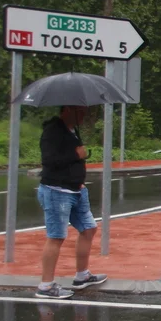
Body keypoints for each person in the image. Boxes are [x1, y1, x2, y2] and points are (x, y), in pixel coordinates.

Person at [35, 105, 107, 299]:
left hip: (76, 189)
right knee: (56, 236)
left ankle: (82, 275)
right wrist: (76, 155)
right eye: (80, 112)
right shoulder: (52, 131)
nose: (84, 116)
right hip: (56, 191)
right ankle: (45, 286)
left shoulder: (72, 130)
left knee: (88, 228)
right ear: (68, 109)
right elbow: (49, 160)